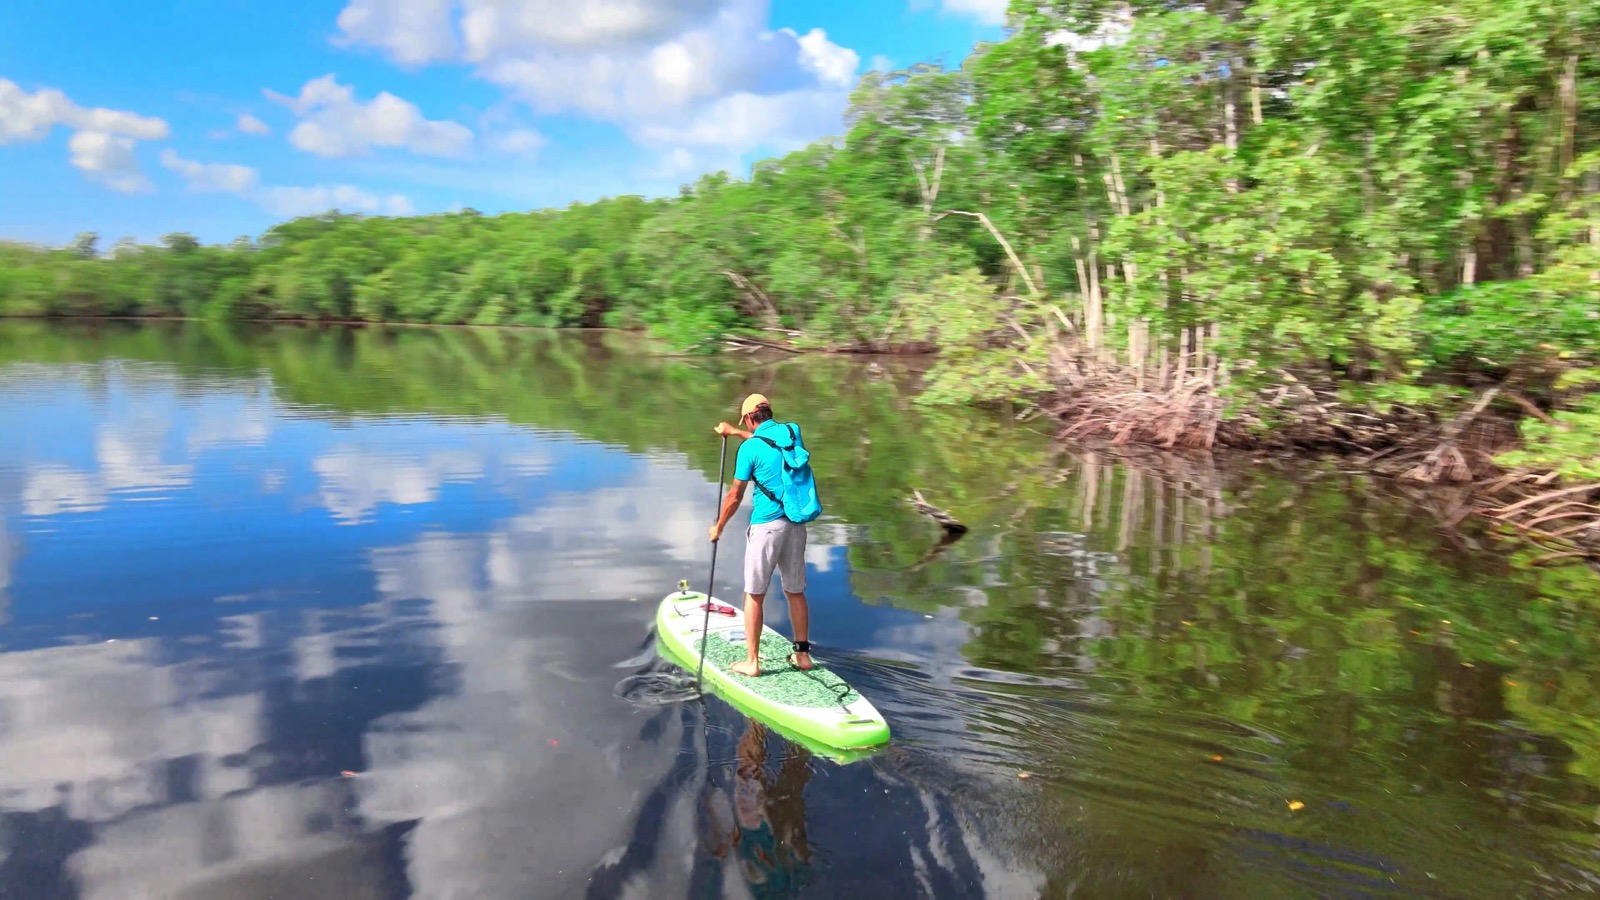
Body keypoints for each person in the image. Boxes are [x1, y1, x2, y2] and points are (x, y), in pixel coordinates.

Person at [708, 393, 813, 676]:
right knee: (795, 591)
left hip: (766, 527)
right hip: (795, 525)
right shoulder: (792, 432)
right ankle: (802, 655)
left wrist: (719, 526)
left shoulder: (749, 450)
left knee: (754, 594)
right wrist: (735, 432)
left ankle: (752, 662)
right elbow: (767, 441)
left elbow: (734, 496)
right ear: (768, 413)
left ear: (749, 418)